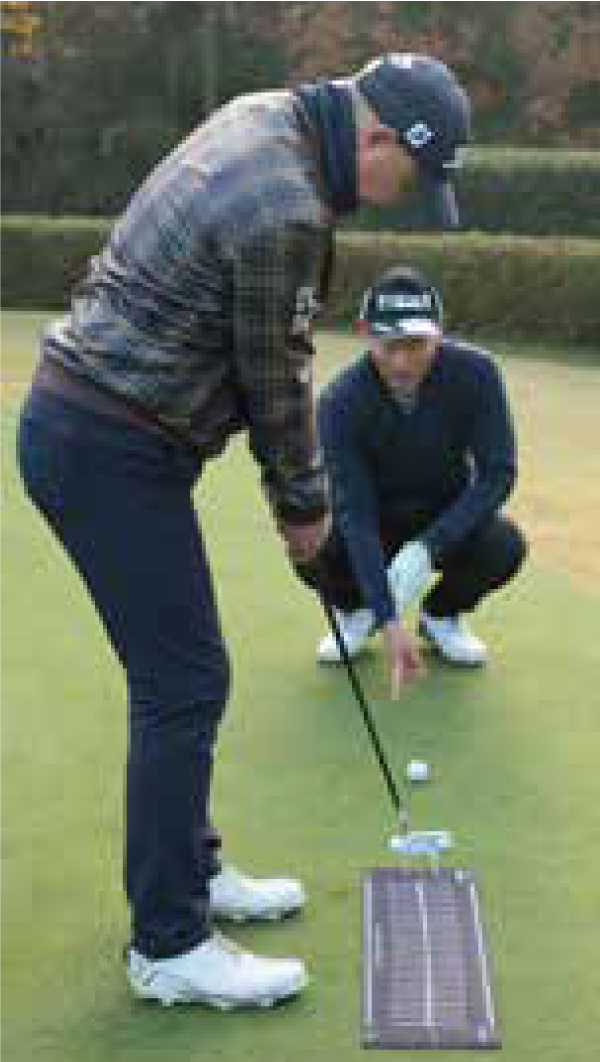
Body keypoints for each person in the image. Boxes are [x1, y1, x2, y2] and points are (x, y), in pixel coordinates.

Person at [16, 55, 471, 1009]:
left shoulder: (270, 117)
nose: (401, 200)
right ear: (378, 137)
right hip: (106, 444)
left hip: (100, 427)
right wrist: (304, 510)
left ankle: (192, 870)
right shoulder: (287, 207)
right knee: (183, 684)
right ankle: (170, 943)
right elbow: (276, 376)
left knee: (185, 675)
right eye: (409, 178)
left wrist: (297, 501)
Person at [301, 265, 527, 695]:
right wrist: (388, 620)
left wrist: (428, 547)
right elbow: (355, 512)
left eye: (417, 345)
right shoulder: (340, 402)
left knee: (504, 545)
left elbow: (498, 473)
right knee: (312, 544)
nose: (402, 361)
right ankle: (357, 611)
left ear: (438, 333)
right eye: (390, 345)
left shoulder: (477, 374)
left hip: (445, 515)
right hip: (376, 520)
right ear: (365, 333)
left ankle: (440, 615)